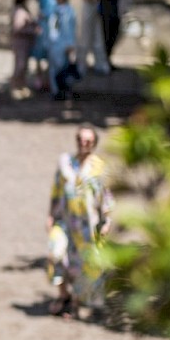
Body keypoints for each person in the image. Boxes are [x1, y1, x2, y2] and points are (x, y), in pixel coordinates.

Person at [47, 126, 113, 318]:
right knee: (55, 253)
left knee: (80, 265)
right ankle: (63, 294)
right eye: (80, 140)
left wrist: (107, 220)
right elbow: (56, 190)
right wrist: (50, 215)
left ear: (94, 144)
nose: (83, 144)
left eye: (88, 141)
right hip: (65, 220)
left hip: (87, 225)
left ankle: (74, 303)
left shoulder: (99, 168)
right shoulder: (66, 162)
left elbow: (106, 195)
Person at [78, 0, 109, 76]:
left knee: (98, 38)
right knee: (85, 38)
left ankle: (100, 64)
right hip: (88, 12)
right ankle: (81, 64)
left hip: (95, 12)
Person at [9, 0, 39, 98]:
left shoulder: (22, 10)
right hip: (20, 42)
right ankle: (15, 86)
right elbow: (18, 27)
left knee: (24, 66)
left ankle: (21, 86)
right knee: (20, 65)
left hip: (25, 42)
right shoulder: (19, 11)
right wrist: (31, 30)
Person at [48, 0, 78, 99]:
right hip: (55, 44)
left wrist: (70, 44)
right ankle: (55, 91)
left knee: (65, 68)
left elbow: (70, 29)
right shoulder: (54, 10)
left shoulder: (69, 10)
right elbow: (52, 29)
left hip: (65, 44)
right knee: (54, 69)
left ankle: (65, 91)